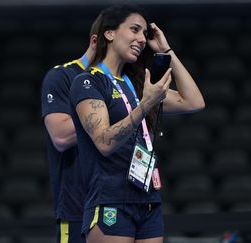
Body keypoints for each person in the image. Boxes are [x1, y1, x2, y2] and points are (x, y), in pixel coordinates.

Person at [69, 4, 205, 243]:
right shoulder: (89, 82)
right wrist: (146, 105)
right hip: (110, 199)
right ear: (109, 34)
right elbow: (104, 142)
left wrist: (167, 51)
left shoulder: (140, 85)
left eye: (144, 33)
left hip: (148, 198)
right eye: (134, 30)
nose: (142, 39)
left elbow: (193, 101)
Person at [40, 15, 101, 243]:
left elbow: (193, 102)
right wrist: (110, 116)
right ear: (96, 41)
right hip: (78, 208)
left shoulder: (123, 82)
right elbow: (61, 136)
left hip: (117, 207)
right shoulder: (62, 76)